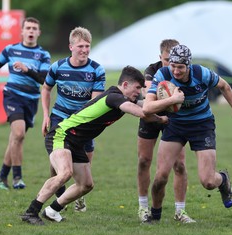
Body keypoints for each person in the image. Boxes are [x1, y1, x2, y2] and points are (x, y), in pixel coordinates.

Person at [21, 65, 167, 225]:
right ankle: (31, 212)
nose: (138, 92)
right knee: (65, 173)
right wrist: (163, 116)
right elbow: (142, 112)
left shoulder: (123, 98)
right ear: (125, 85)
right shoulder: (114, 97)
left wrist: (166, 103)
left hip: (76, 143)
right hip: (62, 135)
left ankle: (52, 211)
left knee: (86, 184)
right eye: (137, 88)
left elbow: (145, 104)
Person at [143, 44, 232, 222]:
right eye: (173, 66)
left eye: (180, 67)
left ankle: (223, 180)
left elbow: (224, 86)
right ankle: (155, 216)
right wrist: (172, 100)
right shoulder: (163, 75)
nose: (176, 71)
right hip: (176, 125)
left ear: (188, 66)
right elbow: (147, 108)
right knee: (161, 177)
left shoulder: (201, 73)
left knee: (208, 181)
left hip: (202, 125)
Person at [41, 26, 105, 212]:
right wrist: (46, 115)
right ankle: (60, 196)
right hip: (59, 118)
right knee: (57, 163)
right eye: (80, 46)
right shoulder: (58, 67)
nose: (84, 50)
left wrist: (83, 121)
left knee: (85, 162)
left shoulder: (96, 70)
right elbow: (46, 89)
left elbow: (95, 102)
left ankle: (78, 193)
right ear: (71, 47)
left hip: (84, 122)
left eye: (87, 46)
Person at [0, 17, 51, 190]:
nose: (30, 31)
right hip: (13, 96)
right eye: (28, 28)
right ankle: (17, 178)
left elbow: (43, 79)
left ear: (39, 33)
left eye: (34, 28)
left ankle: (2, 176)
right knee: (19, 133)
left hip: (31, 100)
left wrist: (27, 69)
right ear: (22, 31)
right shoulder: (11, 49)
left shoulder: (43, 55)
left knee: (16, 137)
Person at [137, 39, 194, 223]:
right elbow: (148, 97)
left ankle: (180, 211)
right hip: (151, 117)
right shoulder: (152, 71)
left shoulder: (182, 72)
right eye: (167, 60)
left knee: (180, 165)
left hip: (174, 119)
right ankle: (143, 206)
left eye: (175, 61)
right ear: (160, 57)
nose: (171, 66)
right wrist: (169, 100)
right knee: (144, 160)